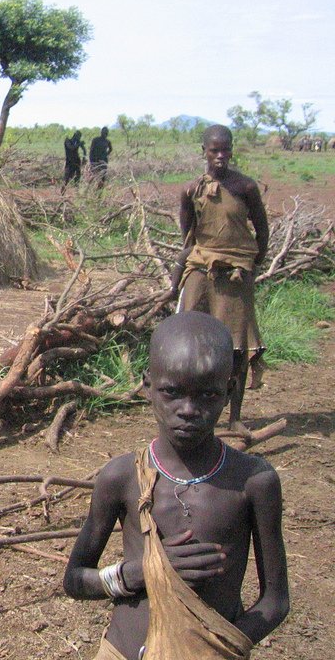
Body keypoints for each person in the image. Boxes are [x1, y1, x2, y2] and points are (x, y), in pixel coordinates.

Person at [63, 312, 289, 660]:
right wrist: (142, 572)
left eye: (207, 395)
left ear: (229, 391)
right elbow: (75, 579)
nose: (188, 409)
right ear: (148, 385)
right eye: (171, 392)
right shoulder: (122, 477)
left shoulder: (253, 481)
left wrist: (219, 647)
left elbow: (275, 601)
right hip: (123, 651)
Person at [172, 125, 268, 435]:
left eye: (226, 149)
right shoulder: (191, 189)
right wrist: (176, 282)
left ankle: (235, 416)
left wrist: (253, 261)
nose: (221, 156)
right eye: (215, 150)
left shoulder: (245, 187)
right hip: (201, 267)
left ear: (232, 149)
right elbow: (187, 239)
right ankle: (192, 410)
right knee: (189, 340)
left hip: (237, 271)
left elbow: (262, 230)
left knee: (237, 347)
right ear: (204, 151)